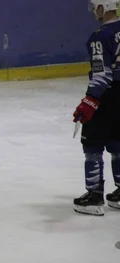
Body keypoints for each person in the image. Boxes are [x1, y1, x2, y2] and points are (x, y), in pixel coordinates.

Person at [72, 0, 120, 215]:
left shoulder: (100, 36)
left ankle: (93, 196)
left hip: (107, 97)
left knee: (92, 145)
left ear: (102, 8)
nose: (93, 12)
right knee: (118, 143)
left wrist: (90, 100)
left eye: (94, 7)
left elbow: (102, 74)